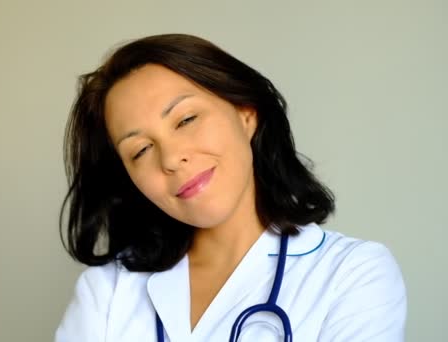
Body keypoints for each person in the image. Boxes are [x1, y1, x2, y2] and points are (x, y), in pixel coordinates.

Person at [55, 33, 406, 341]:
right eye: (141, 150)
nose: (172, 158)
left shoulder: (353, 274)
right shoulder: (107, 292)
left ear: (246, 115)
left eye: (186, 119)